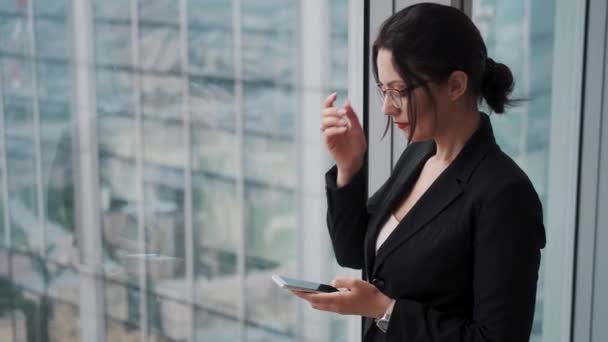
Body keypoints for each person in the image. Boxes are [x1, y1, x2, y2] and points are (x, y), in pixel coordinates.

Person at [291, 3, 546, 341]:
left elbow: (497, 338)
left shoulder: (505, 193)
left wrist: (385, 310)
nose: (386, 107)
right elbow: (354, 252)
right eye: (384, 90)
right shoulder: (419, 155)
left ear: (455, 85)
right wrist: (349, 165)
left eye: (399, 91)